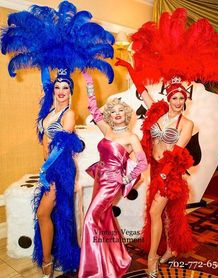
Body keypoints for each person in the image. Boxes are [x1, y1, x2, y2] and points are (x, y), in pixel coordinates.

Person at [116, 59, 194, 277]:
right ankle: (170, 248)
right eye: (174, 98)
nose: (178, 102)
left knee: (154, 211)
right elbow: (142, 90)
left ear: (185, 99)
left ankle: (152, 258)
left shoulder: (186, 124)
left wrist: (163, 173)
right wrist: (129, 66)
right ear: (169, 98)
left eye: (181, 98)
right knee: (166, 214)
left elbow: (177, 153)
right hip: (157, 168)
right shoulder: (157, 113)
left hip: (171, 173)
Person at [78, 72, 148, 278]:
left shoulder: (131, 137)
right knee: (104, 219)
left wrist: (126, 178)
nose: (117, 114)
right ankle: (114, 259)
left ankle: (95, 269)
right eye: (114, 111)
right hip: (101, 178)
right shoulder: (107, 130)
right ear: (110, 115)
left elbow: (142, 162)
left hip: (112, 184)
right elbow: (92, 108)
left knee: (91, 220)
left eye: (121, 111)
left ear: (126, 115)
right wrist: (89, 82)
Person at [33, 69, 85, 278]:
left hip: (61, 169)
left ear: (71, 91)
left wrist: (45, 170)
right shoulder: (48, 113)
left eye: (65, 87)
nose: (61, 90)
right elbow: (44, 141)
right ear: (52, 90)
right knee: (50, 214)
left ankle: (48, 261)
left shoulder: (69, 114)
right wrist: (44, 62)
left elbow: (61, 146)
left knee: (43, 213)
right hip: (49, 167)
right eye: (57, 87)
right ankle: (53, 256)